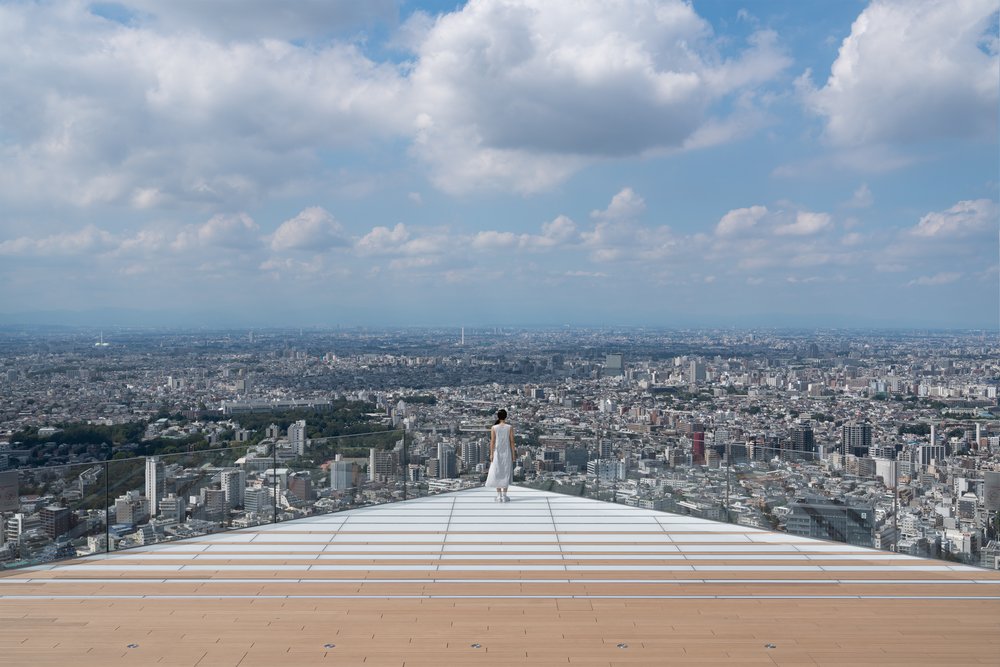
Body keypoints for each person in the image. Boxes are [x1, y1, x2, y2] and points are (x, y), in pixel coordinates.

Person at [484, 408, 515, 502]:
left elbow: (492, 442)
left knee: (497, 472)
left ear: (498, 416)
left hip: (496, 453)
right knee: (505, 473)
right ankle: (505, 496)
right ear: (505, 416)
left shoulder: (494, 428)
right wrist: (513, 454)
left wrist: (491, 454)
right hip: (507, 452)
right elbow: (512, 442)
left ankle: (499, 496)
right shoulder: (509, 427)